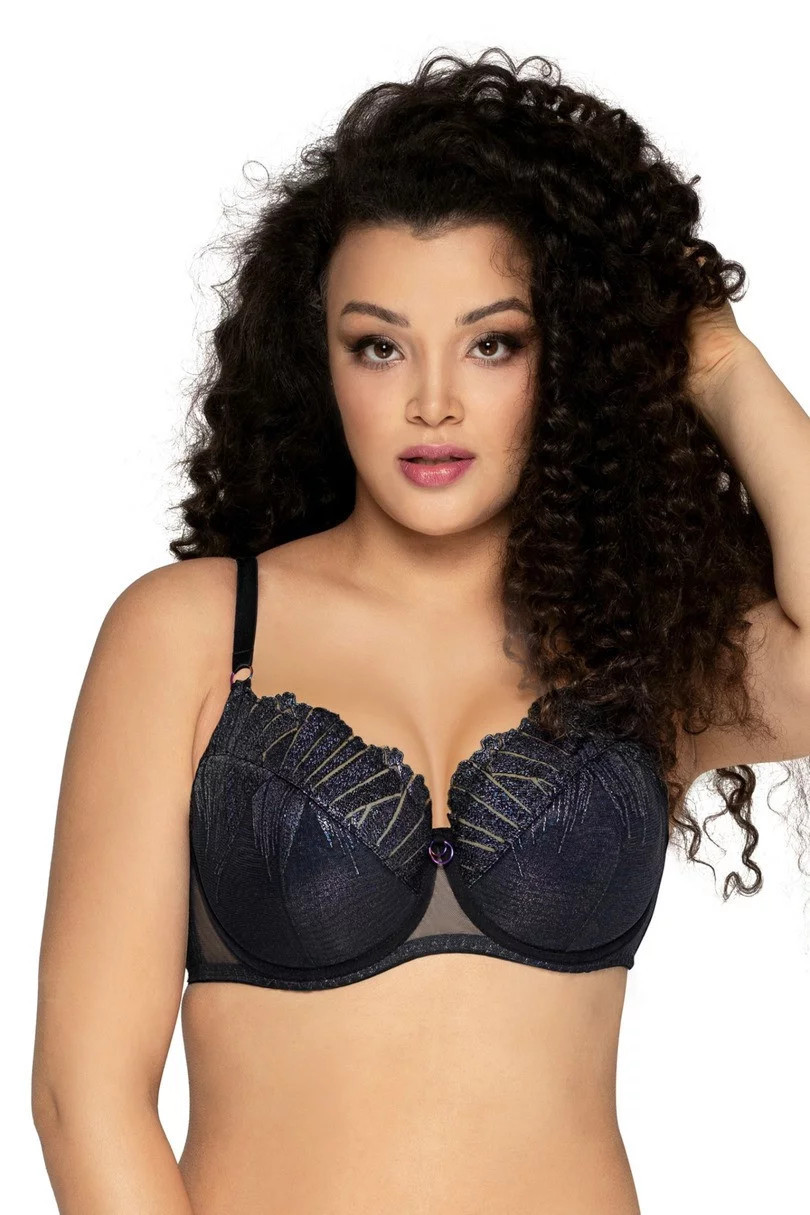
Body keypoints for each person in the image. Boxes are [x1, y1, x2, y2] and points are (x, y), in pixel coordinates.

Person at [31, 46, 810, 1215]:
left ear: (569, 362)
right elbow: (84, 1094)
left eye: (494, 343)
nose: (432, 401)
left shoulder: (634, 646)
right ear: (320, 360)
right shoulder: (193, 633)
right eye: (380, 345)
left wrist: (715, 359)